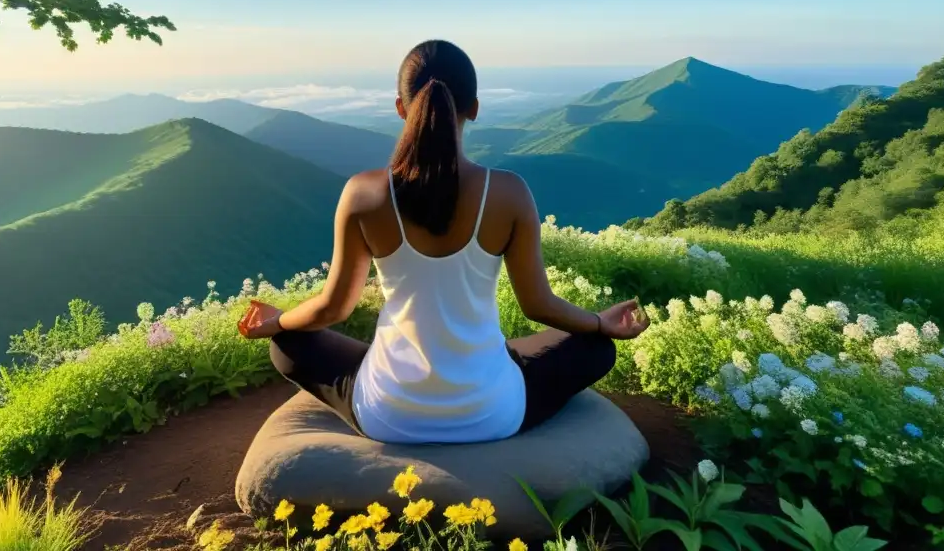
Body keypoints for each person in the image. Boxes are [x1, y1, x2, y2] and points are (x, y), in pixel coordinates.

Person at [241, 39, 647, 444]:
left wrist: (277, 322)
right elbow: (537, 305)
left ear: (401, 108)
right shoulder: (508, 192)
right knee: (596, 349)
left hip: (386, 414)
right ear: (474, 108)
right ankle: (495, 361)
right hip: (494, 413)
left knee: (287, 344)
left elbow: (333, 308)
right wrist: (598, 322)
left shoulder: (362, 193)